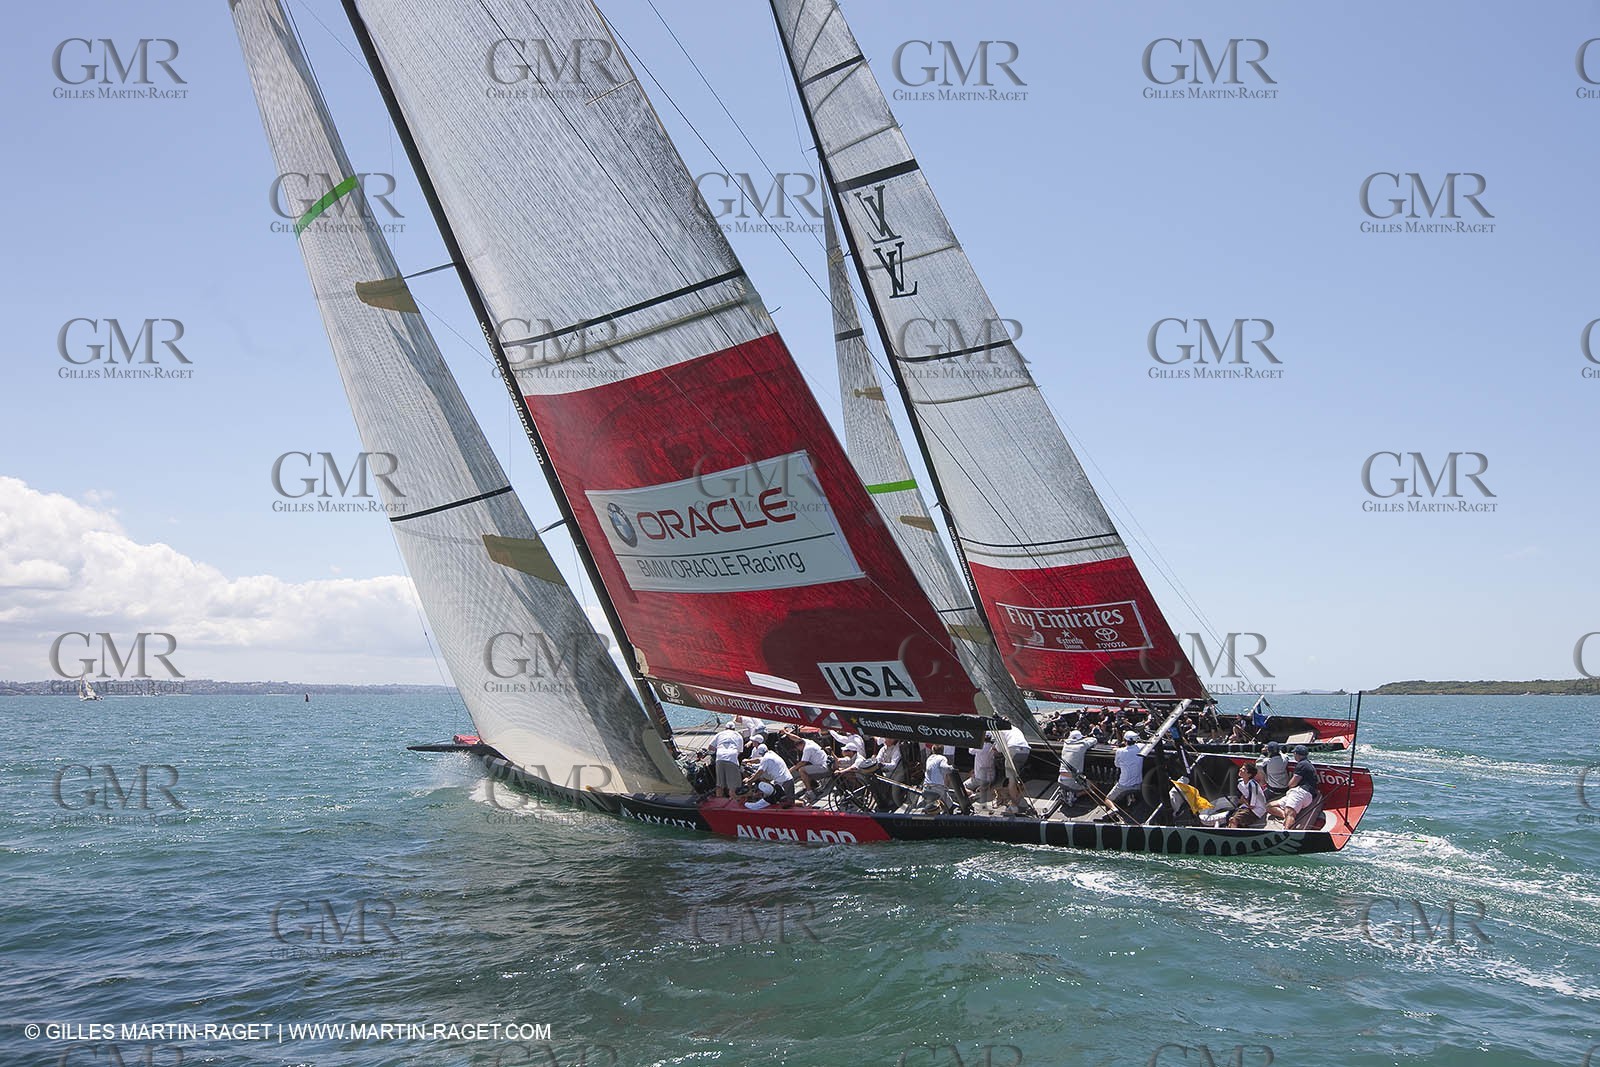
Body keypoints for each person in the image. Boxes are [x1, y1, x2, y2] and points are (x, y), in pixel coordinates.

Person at [1041, 729, 1094, 819]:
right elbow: (1094, 740)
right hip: (1072, 781)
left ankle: (1068, 793)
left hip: (1060, 780)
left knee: (1070, 784)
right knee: (1093, 785)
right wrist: (1086, 738)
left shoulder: (1066, 744)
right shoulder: (1082, 745)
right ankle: (1074, 796)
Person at [1267, 745, 1321, 827]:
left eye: (1294, 753)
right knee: (1269, 806)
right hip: (1299, 792)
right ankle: (1286, 817)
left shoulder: (1302, 765)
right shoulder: (1307, 763)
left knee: (1289, 812)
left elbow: (1292, 783)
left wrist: (1288, 785)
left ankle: (1287, 830)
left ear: (1296, 754)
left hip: (1302, 792)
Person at [745, 743, 795, 809]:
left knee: (776, 798)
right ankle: (802, 805)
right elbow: (760, 759)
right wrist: (749, 761)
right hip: (788, 779)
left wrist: (750, 780)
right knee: (788, 800)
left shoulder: (766, 759)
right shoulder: (772, 753)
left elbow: (760, 772)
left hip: (783, 782)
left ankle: (756, 806)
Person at [1105, 731, 1145, 810]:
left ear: (1125, 741)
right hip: (1138, 784)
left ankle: (1114, 809)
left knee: (1107, 799)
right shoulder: (1141, 747)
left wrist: (1119, 749)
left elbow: (1117, 765)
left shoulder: (1120, 751)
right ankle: (1131, 798)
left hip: (1124, 785)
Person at [790, 731, 833, 803]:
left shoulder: (807, 749)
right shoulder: (808, 741)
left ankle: (810, 792)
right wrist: (786, 733)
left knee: (801, 770)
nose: (799, 750)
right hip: (826, 764)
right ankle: (814, 785)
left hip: (824, 768)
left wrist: (790, 770)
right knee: (806, 770)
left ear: (799, 746)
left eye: (798, 749)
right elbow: (796, 738)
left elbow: (802, 762)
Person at [1001, 724, 1033, 812]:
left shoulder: (999, 729)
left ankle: (1014, 806)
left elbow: (999, 748)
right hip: (1025, 750)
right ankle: (1018, 799)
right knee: (1016, 777)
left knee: (1011, 780)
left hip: (1013, 749)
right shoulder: (1015, 728)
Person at [1228, 763, 1269, 828]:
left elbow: (1252, 806)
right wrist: (1243, 800)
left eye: (1243, 769)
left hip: (1256, 810)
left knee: (1233, 820)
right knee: (1228, 817)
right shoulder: (1240, 783)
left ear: (1249, 774)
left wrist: (1243, 800)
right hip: (1246, 806)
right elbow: (1241, 799)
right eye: (1241, 768)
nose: (1240, 769)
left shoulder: (1252, 786)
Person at [711, 720, 744, 799]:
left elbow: (710, 747)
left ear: (725, 728)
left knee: (720, 784)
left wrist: (719, 750)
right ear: (734, 729)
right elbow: (740, 751)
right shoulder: (738, 735)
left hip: (720, 757)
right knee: (733, 785)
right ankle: (732, 800)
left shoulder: (720, 734)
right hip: (732, 757)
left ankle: (719, 801)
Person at [920, 744, 954, 812]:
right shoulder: (942, 758)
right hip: (937, 788)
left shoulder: (929, 758)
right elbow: (944, 767)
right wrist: (952, 768)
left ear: (933, 750)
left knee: (937, 806)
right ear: (943, 751)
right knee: (950, 807)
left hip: (926, 788)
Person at [966, 739, 998, 806]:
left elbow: (970, 751)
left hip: (979, 778)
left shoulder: (979, 746)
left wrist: (974, 740)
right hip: (991, 777)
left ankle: (974, 795)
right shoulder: (993, 746)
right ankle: (978, 792)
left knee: (962, 786)